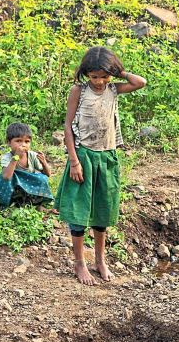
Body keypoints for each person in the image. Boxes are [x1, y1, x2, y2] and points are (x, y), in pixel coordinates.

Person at [57, 47, 146, 285]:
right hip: (84, 157)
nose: (98, 81)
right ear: (86, 74)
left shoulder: (114, 89)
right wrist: (74, 162)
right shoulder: (79, 91)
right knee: (79, 211)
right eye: (94, 76)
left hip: (106, 156)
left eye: (104, 76)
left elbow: (140, 82)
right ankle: (79, 263)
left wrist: (120, 72)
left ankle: (100, 259)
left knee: (102, 212)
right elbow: (67, 127)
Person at [0, 123, 54, 209]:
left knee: (42, 178)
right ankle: (6, 205)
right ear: (8, 142)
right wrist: (16, 157)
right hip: (14, 188)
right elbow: (6, 177)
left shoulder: (32, 155)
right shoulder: (7, 157)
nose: (23, 145)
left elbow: (47, 175)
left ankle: (37, 204)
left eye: (27, 141)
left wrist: (44, 163)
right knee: (9, 179)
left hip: (28, 188)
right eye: (18, 141)